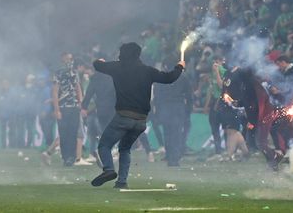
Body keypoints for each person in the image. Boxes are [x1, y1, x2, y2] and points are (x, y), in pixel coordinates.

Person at [91, 42, 184, 189]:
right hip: (141, 120)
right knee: (125, 148)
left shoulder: (116, 67)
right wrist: (180, 67)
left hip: (123, 117)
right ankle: (122, 182)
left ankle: (108, 169)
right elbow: (169, 78)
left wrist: (100, 61)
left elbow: (96, 65)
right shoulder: (147, 70)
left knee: (104, 145)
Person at [153, 56, 193, 166]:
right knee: (176, 133)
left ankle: (169, 155)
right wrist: (189, 109)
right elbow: (189, 95)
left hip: (165, 107)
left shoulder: (160, 77)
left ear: (165, 65)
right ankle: (175, 158)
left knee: (167, 133)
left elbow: (156, 96)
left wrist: (157, 111)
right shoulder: (183, 77)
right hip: (178, 107)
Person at [52, 52, 83, 167]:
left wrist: (81, 103)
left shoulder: (74, 73)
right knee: (64, 133)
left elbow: (78, 87)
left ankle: (71, 157)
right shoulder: (58, 73)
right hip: (63, 107)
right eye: (67, 59)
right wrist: (57, 110)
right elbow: (55, 92)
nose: (69, 61)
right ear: (62, 59)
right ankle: (66, 157)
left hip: (74, 107)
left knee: (73, 132)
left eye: (71, 59)